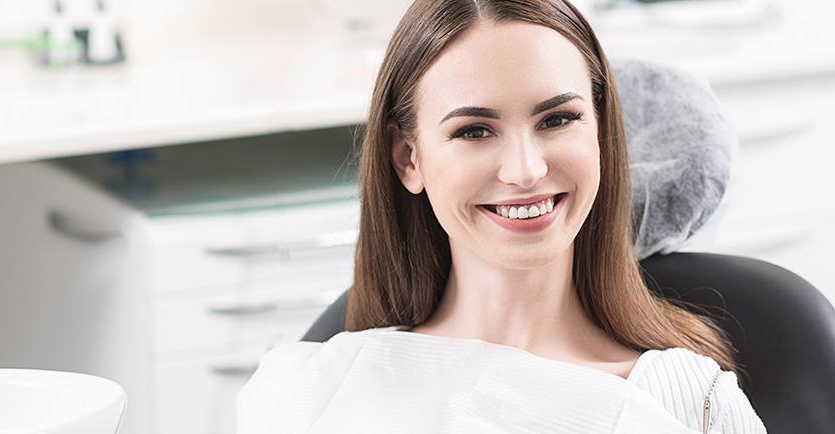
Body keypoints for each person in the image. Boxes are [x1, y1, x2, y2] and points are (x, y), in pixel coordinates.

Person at [235, 0, 767, 432]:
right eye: (474, 130)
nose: (526, 170)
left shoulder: (687, 404)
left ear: (601, 134)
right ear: (409, 158)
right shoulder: (313, 392)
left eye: (558, 119)